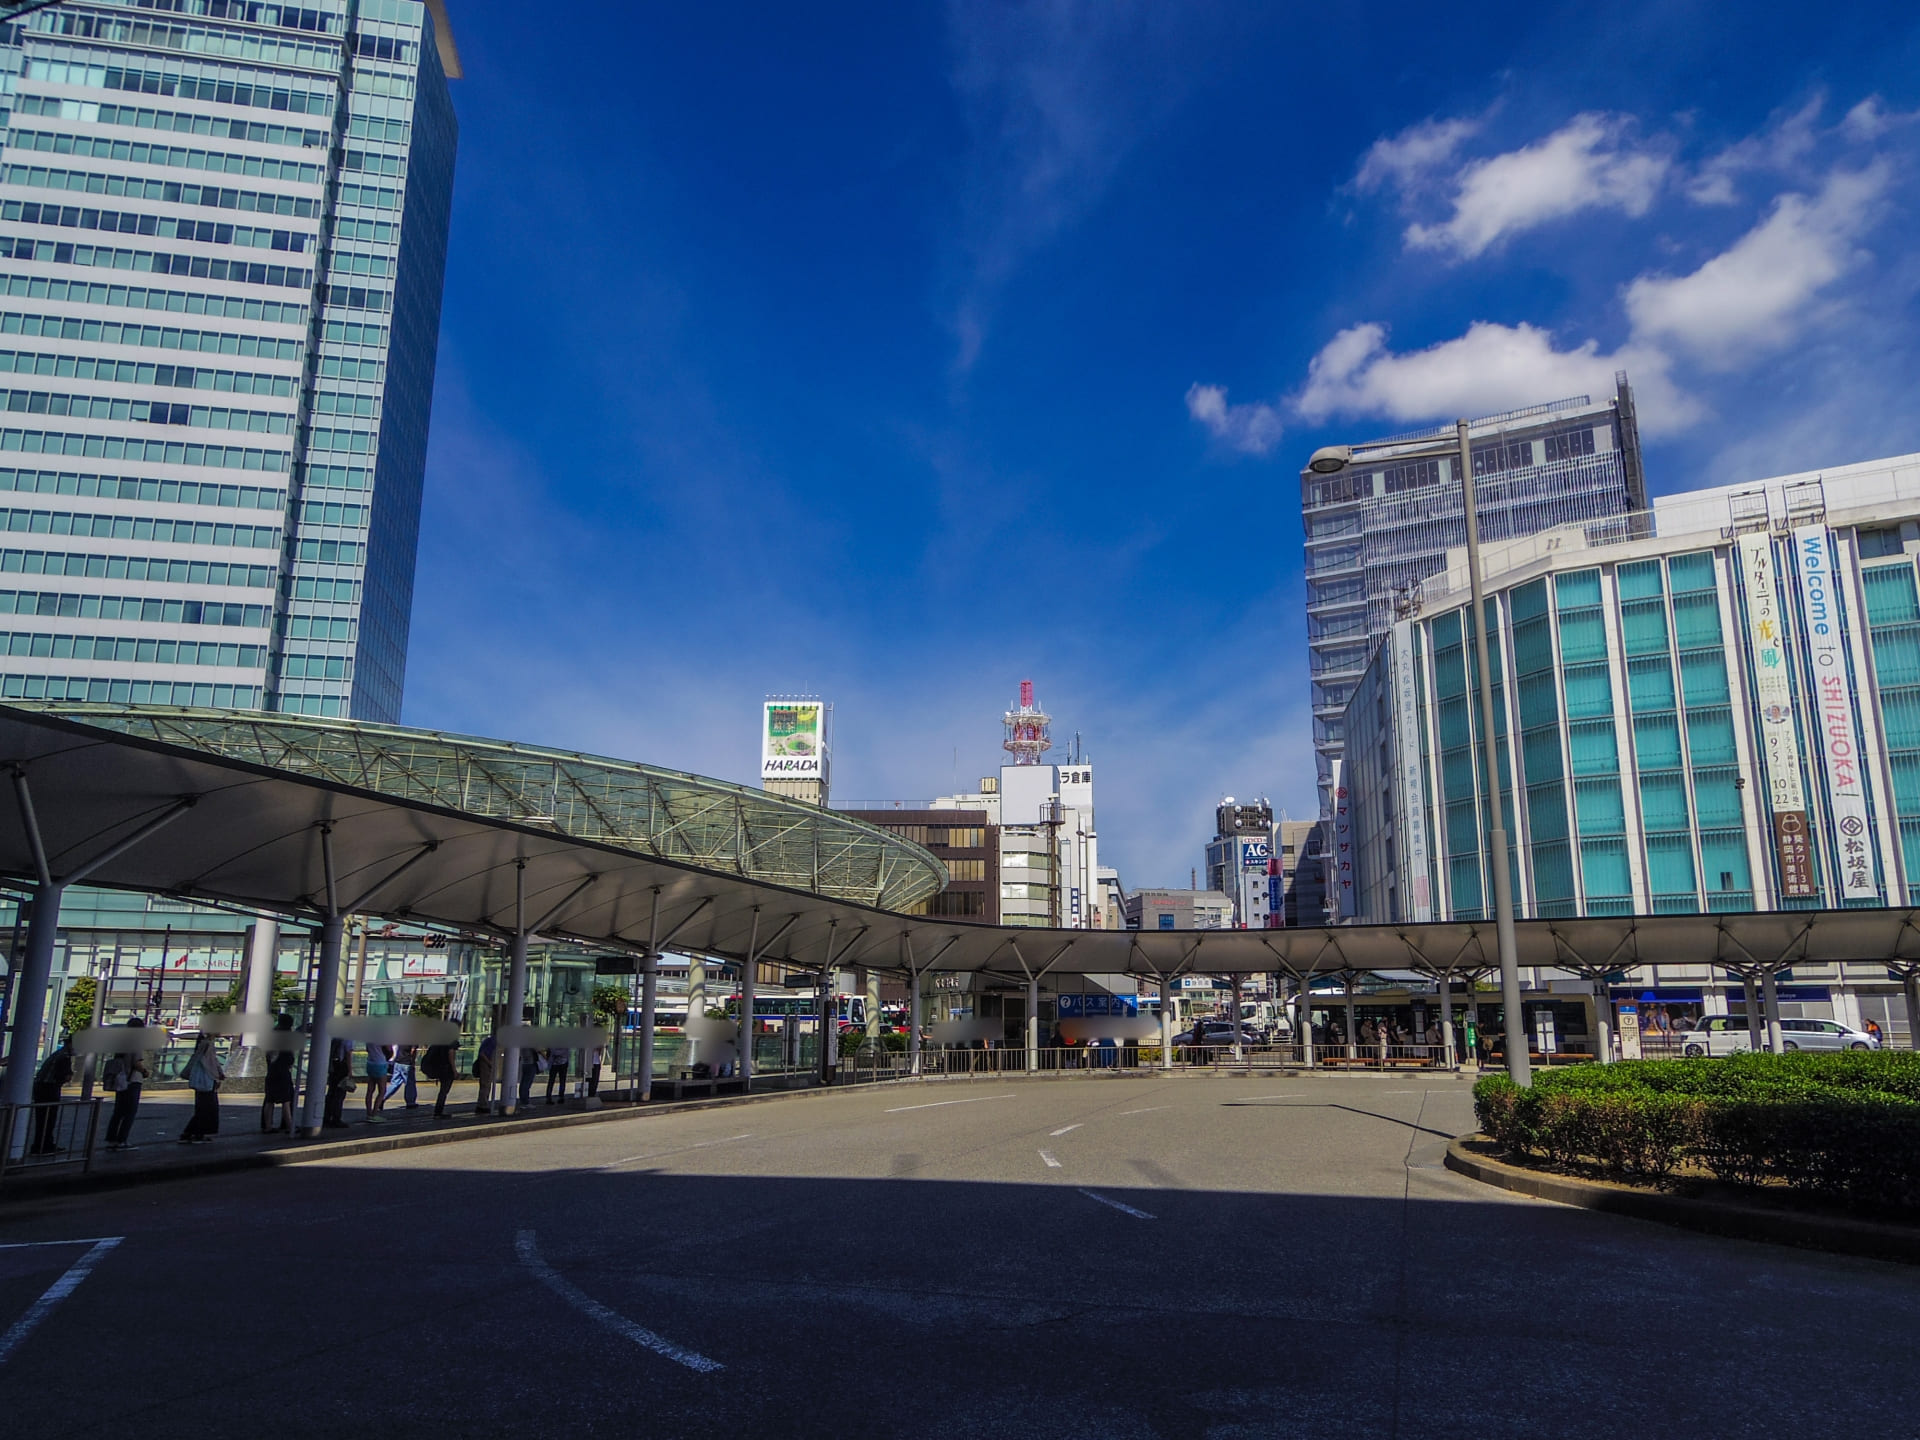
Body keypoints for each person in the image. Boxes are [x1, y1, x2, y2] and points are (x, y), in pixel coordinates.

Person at [102, 1018, 151, 1150]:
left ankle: (111, 1139)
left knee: (118, 1111)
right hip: (132, 1080)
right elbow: (137, 1063)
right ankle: (122, 1140)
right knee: (130, 1112)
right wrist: (145, 1072)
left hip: (121, 1080)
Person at [29, 1033, 75, 1155]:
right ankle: (43, 1146)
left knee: (43, 1118)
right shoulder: (64, 1057)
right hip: (49, 1088)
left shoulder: (58, 1054)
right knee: (48, 1118)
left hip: (42, 1087)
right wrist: (68, 1075)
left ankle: (42, 1144)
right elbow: (65, 1076)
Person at [178, 1032, 224, 1144]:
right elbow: (210, 1063)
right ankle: (196, 1134)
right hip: (207, 1080)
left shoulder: (204, 1043)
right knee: (207, 1108)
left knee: (203, 1108)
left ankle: (191, 1133)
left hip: (203, 1080)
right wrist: (217, 1076)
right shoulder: (207, 1044)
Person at [261, 1015, 297, 1135]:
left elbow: (269, 1054)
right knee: (286, 1100)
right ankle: (290, 1126)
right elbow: (289, 1055)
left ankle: (268, 1126)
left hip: (272, 1070)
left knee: (270, 1100)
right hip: (282, 1070)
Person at [323, 1037, 354, 1129]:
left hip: (333, 1066)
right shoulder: (348, 1038)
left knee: (331, 1093)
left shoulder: (335, 1036)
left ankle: (327, 1117)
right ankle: (336, 1118)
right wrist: (350, 1070)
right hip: (341, 1066)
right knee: (340, 1094)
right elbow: (348, 1053)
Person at [421, 1041, 456, 1118]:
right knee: (444, 1091)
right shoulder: (451, 1041)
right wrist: (454, 1070)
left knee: (442, 1092)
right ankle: (438, 1111)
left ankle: (438, 1111)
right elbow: (451, 1053)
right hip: (446, 1069)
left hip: (438, 1068)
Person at [363, 1041, 391, 1121]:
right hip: (380, 1063)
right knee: (382, 1091)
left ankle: (368, 1113)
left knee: (370, 1090)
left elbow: (367, 1049)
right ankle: (374, 1114)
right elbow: (389, 1049)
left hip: (370, 1062)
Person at [472, 1033, 496, 1114]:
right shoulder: (492, 1041)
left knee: (486, 1085)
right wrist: (489, 1063)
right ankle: (482, 1105)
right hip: (485, 1064)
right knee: (485, 1085)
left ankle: (483, 1104)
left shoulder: (489, 1040)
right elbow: (482, 1054)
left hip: (485, 1063)